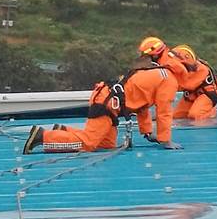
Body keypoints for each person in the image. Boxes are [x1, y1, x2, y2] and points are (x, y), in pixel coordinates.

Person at [23, 54, 181, 154]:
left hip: (108, 99)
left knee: (106, 144)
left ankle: (63, 131)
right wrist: (165, 140)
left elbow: (142, 105)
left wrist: (147, 132)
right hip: (107, 102)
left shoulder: (156, 74)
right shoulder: (169, 80)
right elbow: (164, 111)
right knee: (89, 143)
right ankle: (42, 136)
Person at [170, 43, 217, 121]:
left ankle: (211, 113)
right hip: (192, 94)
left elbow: (188, 85)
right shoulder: (182, 69)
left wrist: (167, 86)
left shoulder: (202, 70)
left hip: (207, 94)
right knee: (176, 116)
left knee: (194, 115)